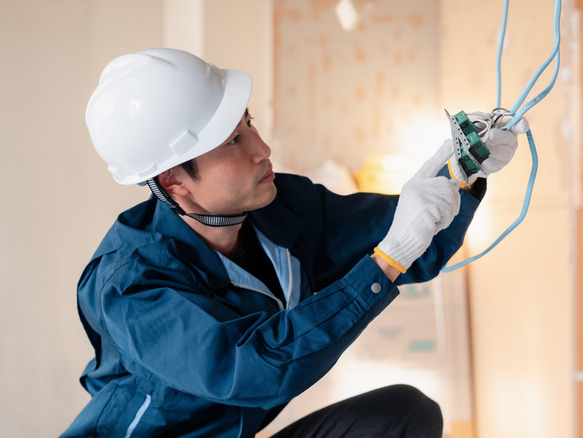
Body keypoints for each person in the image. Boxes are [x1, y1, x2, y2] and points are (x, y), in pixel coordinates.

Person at [62, 48, 520, 437]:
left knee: (403, 416)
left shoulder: (282, 209)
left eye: (249, 123)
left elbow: (403, 234)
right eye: (232, 141)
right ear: (173, 179)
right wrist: (385, 264)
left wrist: (464, 171)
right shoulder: (132, 285)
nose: (261, 148)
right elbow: (254, 368)